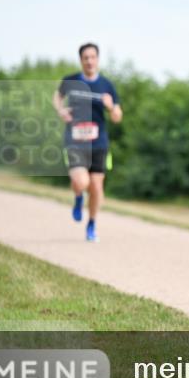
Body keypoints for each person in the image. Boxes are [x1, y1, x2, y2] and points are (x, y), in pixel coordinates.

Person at [53, 42, 122, 242]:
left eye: (93, 57)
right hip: (75, 140)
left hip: (98, 142)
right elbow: (57, 97)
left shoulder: (107, 85)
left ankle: (91, 224)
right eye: (86, 58)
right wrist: (61, 110)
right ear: (81, 60)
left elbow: (118, 116)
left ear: (97, 60)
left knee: (96, 188)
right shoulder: (71, 80)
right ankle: (77, 197)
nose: (90, 61)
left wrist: (111, 108)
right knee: (81, 182)